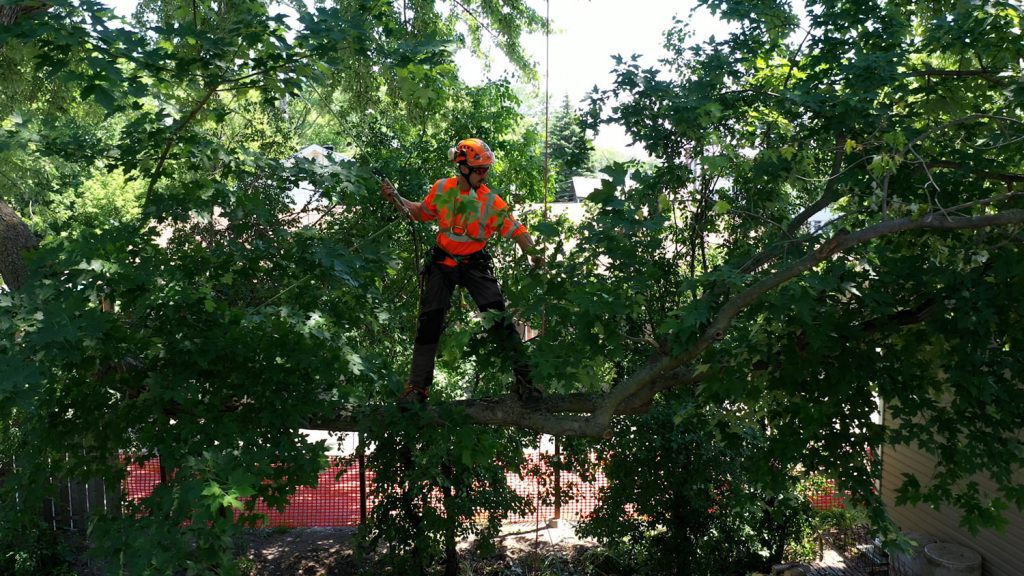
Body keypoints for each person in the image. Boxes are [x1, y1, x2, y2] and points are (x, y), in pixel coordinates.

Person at [380, 138, 544, 404]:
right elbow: (420, 213)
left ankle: (528, 384)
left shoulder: (491, 202)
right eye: (480, 170)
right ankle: (417, 389)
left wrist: (535, 254)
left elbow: (517, 231)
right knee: (429, 322)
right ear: (463, 167)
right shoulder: (442, 188)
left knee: (499, 321)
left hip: (474, 264)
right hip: (443, 263)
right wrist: (396, 198)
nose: (485, 174)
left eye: (486, 169)